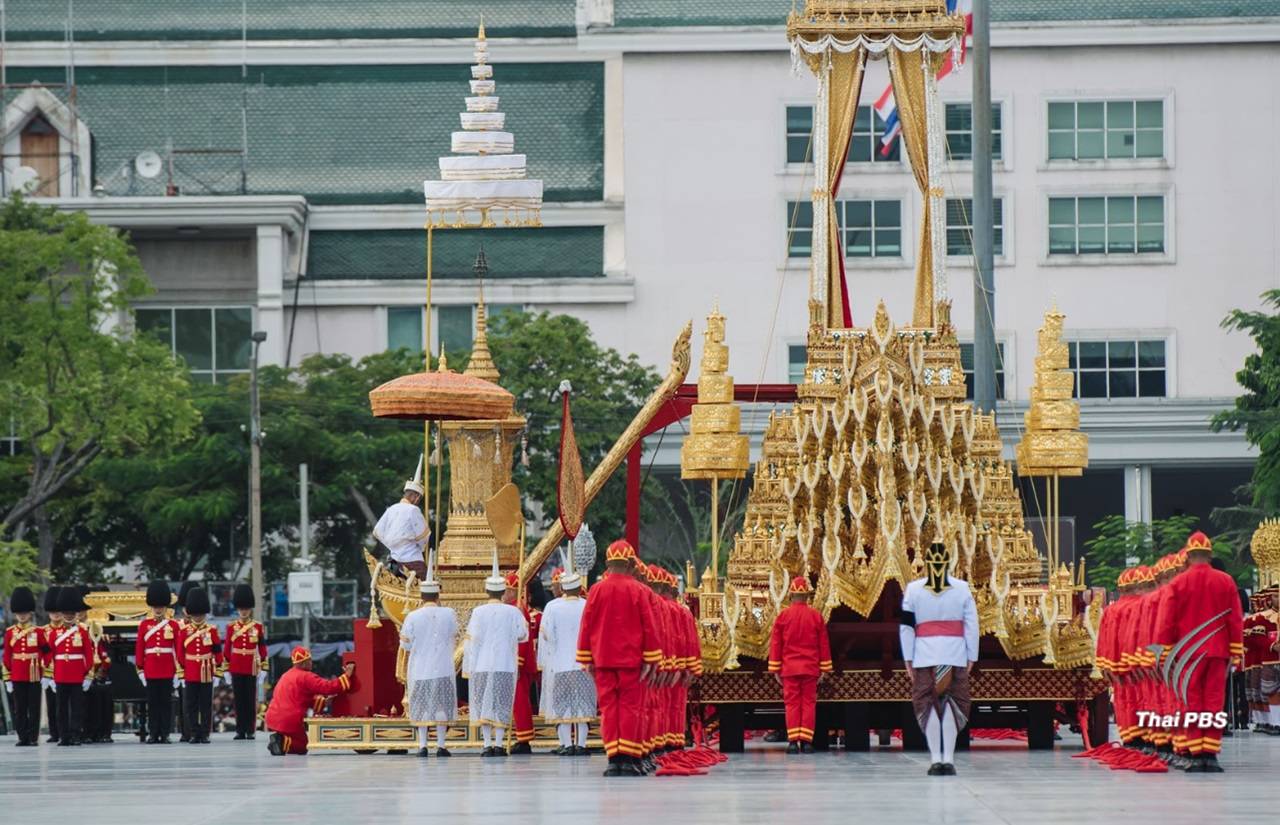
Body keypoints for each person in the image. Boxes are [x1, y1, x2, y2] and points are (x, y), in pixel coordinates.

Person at [1153, 531, 1244, 772]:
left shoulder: (1177, 584)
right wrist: (1235, 653)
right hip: (1217, 651)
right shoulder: (1225, 581)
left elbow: (1166, 622)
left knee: (1189, 701)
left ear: (1189, 556)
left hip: (1187, 655)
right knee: (1214, 701)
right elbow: (1235, 620)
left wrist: (1165, 655)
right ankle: (1210, 753)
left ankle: (1194, 753)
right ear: (1209, 555)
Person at [576, 539, 663, 777]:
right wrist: (652, 661)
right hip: (632, 661)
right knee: (631, 708)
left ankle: (613, 759)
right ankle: (630, 758)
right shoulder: (640, 591)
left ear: (607, 563)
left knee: (608, 708)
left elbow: (587, 626)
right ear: (631, 563)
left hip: (603, 659)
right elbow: (650, 628)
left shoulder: (596, 590)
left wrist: (587, 658)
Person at [899, 542, 979, 776]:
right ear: (949, 563)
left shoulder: (913, 590)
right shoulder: (962, 588)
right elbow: (972, 625)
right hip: (955, 654)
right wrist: (971, 654)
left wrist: (908, 657)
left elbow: (906, 628)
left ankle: (936, 759)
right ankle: (948, 758)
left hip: (925, 655)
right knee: (953, 704)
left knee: (928, 704)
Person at [463, 564, 529, 756]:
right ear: (503, 592)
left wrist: (470, 667)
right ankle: (499, 744)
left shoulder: (478, 612)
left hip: (482, 664)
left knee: (485, 704)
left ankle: (486, 744)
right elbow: (523, 635)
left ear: (486, 591)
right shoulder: (513, 612)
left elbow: (471, 641)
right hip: (505, 664)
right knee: (501, 704)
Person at [768, 575, 833, 754]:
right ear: (807, 597)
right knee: (808, 703)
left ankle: (792, 742)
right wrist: (825, 669)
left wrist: (775, 669)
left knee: (792, 704)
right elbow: (823, 645)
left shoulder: (783, 616)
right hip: (810, 668)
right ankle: (806, 742)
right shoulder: (816, 616)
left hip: (789, 669)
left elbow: (776, 644)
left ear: (791, 595)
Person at [400, 566, 458, 758]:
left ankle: (422, 746)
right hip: (443, 667)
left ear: (421, 596)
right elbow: (453, 636)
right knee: (441, 706)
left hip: (420, 669)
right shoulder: (449, 614)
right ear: (437, 595)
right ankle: (441, 745)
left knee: (422, 707)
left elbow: (405, 645)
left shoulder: (413, 616)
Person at [539, 562, 594, 755]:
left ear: (562, 587)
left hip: (560, 664)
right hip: (582, 664)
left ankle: (566, 744)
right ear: (580, 588)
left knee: (562, 706)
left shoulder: (553, 607)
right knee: (582, 705)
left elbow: (546, 636)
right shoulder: (587, 606)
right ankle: (581, 744)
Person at [265, 647, 355, 755]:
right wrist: (347, 676)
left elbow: (299, 697)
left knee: (299, 742)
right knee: (302, 746)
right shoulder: (306, 676)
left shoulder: (286, 675)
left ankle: (280, 739)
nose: (312, 663)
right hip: (289, 720)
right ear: (304, 663)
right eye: (310, 660)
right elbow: (328, 687)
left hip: (273, 717)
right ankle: (281, 741)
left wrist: (323, 702)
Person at [372, 455, 430, 579]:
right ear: (416, 496)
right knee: (431, 588)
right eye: (419, 498)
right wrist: (416, 546)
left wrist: (392, 544)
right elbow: (424, 536)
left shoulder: (391, 508)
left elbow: (377, 531)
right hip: (413, 560)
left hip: (394, 560)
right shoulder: (413, 510)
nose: (418, 501)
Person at [136, 580, 179, 744]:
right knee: (152, 704)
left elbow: (177, 649)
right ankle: (153, 733)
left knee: (166, 703)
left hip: (168, 668)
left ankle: (165, 733)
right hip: (151, 669)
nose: (158, 609)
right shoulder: (144, 625)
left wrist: (178, 671)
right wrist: (140, 669)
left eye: (161, 606)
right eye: (156, 606)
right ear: (151, 607)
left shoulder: (173, 625)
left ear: (165, 607)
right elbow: (140, 649)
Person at [49, 586, 94, 746]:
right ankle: (64, 735)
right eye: (66, 613)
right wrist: (51, 676)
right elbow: (51, 656)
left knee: (76, 708)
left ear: (75, 614)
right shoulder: (54, 633)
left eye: (71, 613)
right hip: (61, 674)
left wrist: (87, 674)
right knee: (60, 709)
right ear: (62, 613)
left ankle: (75, 734)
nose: (68, 616)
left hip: (76, 675)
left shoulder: (82, 632)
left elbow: (88, 655)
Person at [176, 587, 221, 744]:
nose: (198, 617)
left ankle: (205, 733)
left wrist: (218, 673)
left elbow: (217, 652)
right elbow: (180, 653)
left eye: (200, 614)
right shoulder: (184, 631)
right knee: (191, 705)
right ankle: (194, 732)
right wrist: (181, 673)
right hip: (190, 671)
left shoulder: (212, 630)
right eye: (195, 614)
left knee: (206, 705)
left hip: (207, 670)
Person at [223, 584, 267, 740]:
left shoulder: (257, 627)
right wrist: (226, 669)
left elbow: (262, 649)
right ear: (237, 609)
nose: (244, 611)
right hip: (236, 666)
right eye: (241, 609)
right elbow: (227, 649)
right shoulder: (231, 628)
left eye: (246, 608)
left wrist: (264, 668)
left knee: (250, 699)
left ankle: (250, 729)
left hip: (251, 666)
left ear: (250, 609)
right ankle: (240, 729)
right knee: (239, 700)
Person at [503, 571, 539, 753]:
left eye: (505, 591)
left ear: (511, 591)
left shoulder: (517, 609)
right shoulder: (512, 608)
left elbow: (522, 641)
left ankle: (524, 738)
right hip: (514, 661)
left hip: (519, 662)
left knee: (520, 701)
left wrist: (517, 663)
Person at [3, 586, 44, 746]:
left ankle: (33, 737)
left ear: (30, 613)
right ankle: (22, 736)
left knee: (34, 707)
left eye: (24, 613)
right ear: (16, 614)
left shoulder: (38, 632)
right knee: (19, 708)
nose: (22, 616)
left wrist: (44, 667)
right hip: (18, 674)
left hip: (34, 673)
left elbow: (46, 651)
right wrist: (7, 678)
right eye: (19, 613)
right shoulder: (10, 633)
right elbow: (6, 656)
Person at [40, 586, 62, 743]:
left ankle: (66, 731)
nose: (55, 614)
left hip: (65, 672)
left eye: (58, 611)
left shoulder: (68, 630)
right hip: (49, 672)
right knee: (52, 704)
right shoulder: (43, 631)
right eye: (52, 611)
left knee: (65, 705)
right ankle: (54, 732)